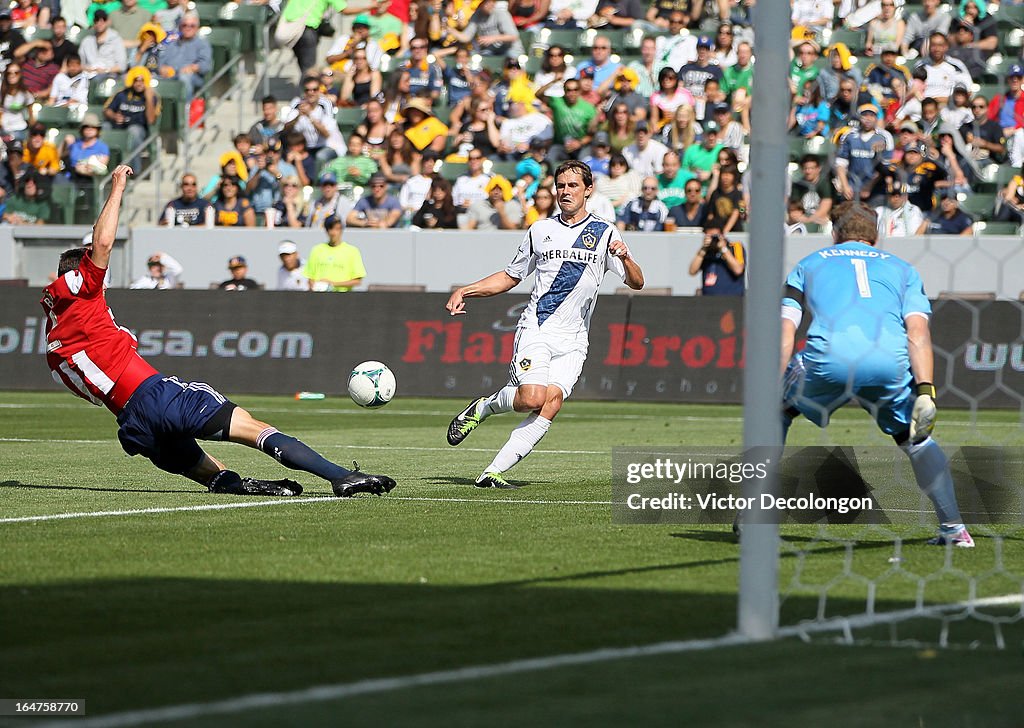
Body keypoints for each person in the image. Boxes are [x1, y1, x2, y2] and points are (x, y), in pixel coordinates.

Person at [41, 166, 395, 498]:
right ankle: (340, 477)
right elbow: (102, 246)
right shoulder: (83, 293)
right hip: (158, 396)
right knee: (256, 431)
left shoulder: (55, 343)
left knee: (211, 472)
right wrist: (117, 186)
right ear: (77, 276)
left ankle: (237, 484)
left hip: (133, 423)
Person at [779, 200, 972, 547]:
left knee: (776, 411)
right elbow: (918, 333)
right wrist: (926, 390)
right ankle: (954, 529)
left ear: (835, 233)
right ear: (877, 234)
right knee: (916, 437)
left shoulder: (808, 263)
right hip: (889, 362)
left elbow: (785, 333)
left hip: (828, 359)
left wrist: (770, 384)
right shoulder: (904, 269)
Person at [444, 160, 644, 488]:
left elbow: (636, 282)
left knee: (550, 403)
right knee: (532, 398)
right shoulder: (540, 230)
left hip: (576, 340)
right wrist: (466, 290)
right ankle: (485, 406)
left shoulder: (605, 231)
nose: (565, 192)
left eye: (573, 186)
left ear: (588, 190)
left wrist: (625, 257)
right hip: (537, 328)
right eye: (561, 185)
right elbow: (510, 277)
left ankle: (491, 473)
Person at [102, 66, 160, 172]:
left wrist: (149, 99)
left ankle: (134, 171)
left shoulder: (152, 96)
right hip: (120, 126)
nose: (139, 84)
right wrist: (114, 116)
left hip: (139, 129)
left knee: (133, 131)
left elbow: (151, 120)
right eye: (136, 81)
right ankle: (106, 167)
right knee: (105, 127)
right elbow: (107, 110)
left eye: (142, 81)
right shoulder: (122, 94)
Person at [304, 215, 366, 292]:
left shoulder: (352, 251)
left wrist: (332, 284)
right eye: (331, 229)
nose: (333, 233)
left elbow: (357, 281)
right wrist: (314, 285)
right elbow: (310, 277)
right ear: (326, 231)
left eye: (337, 229)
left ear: (341, 230)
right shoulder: (317, 250)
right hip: (319, 297)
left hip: (342, 297)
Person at [158, 12, 212, 99]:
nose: (188, 28)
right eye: (185, 25)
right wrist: (162, 68)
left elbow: (205, 65)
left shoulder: (202, 43)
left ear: (197, 28)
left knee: (184, 78)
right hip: (170, 75)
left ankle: (184, 109)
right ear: (180, 26)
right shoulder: (172, 41)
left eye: (192, 26)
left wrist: (192, 67)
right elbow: (161, 59)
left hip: (192, 77)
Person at [688, 227, 745, 295]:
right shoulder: (705, 251)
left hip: (732, 299)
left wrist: (723, 249)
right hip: (709, 300)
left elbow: (738, 270)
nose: (713, 239)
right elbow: (692, 271)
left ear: (722, 236)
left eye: (715, 236)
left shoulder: (735, 246)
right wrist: (703, 249)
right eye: (710, 236)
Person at [79, 9, 127, 80]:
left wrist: (106, 70)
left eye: (103, 20)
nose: (99, 23)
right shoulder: (87, 41)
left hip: (110, 76)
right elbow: (80, 63)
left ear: (107, 21)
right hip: (89, 76)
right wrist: (88, 69)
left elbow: (122, 66)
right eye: (96, 20)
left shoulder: (116, 39)